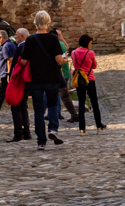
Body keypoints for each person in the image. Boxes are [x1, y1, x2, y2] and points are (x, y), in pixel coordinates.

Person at [21, 11, 68, 149]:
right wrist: (65, 60)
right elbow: (59, 60)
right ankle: (52, 129)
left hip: (35, 80)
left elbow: (24, 61)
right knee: (52, 105)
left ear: (35, 23)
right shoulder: (53, 39)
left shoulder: (30, 40)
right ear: (48, 23)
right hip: (52, 79)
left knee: (38, 110)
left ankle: (41, 141)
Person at [69, 34, 104, 133]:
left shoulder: (73, 52)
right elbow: (94, 66)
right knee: (94, 102)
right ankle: (98, 125)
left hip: (79, 79)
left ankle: (82, 128)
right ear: (87, 43)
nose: (91, 45)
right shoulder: (90, 53)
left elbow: (75, 64)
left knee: (81, 103)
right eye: (90, 43)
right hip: (89, 79)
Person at [7, 28, 31, 143]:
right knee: (23, 106)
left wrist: (12, 77)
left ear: (22, 36)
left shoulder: (23, 47)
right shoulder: (27, 46)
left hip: (19, 81)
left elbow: (19, 64)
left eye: (16, 35)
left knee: (16, 106)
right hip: (24, 81)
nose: (15, 37)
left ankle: (18, 133)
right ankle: (26, 132)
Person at [55, 28, 77, 121]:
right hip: (63, 73)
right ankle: (55, 113)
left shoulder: (58, 45)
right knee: (55, 94)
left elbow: (61, 59)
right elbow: (66, 47)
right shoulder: (61, 44)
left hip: (62, 74)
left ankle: (74, 115)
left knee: (64, 96)